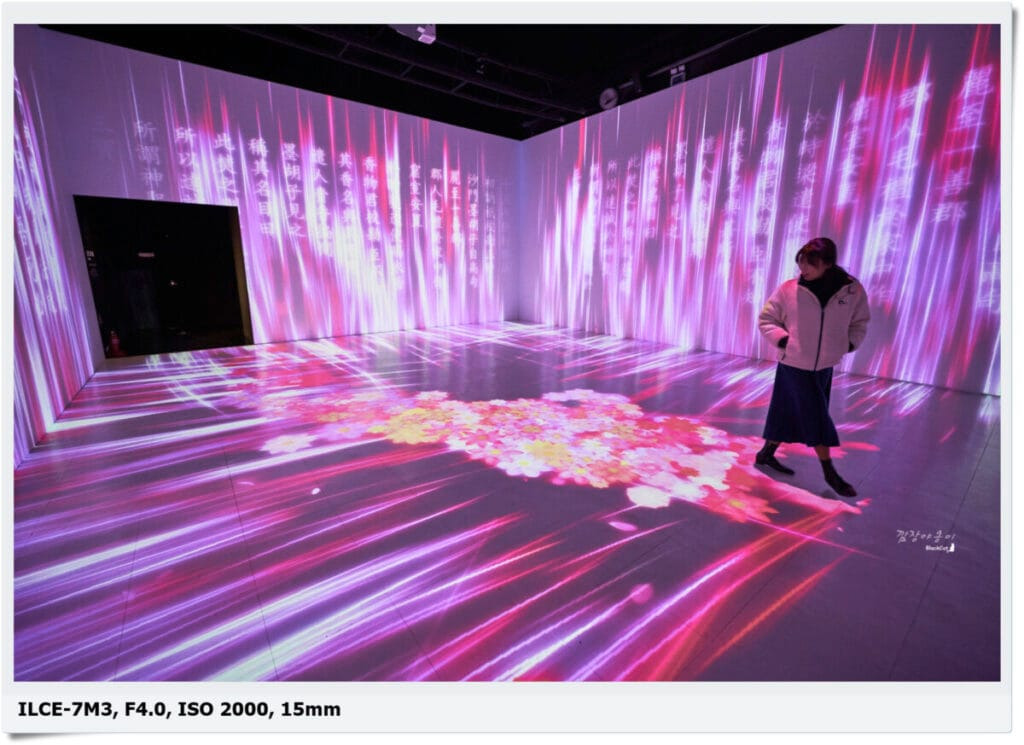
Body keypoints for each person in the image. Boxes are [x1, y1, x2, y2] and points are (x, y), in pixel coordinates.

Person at [754, 237, 870, 498]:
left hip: (825, 366)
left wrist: (849, 343)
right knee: (816, 415)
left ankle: (765, 454)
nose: (803, 269)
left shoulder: (851, 291)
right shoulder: (789, 289)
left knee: (786, 411)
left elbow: (860, 321)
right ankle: (829, 472)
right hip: (794, 363)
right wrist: (783, 340)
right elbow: (766, 319)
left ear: (827, 263)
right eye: (801, 263)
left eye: (810, 264)